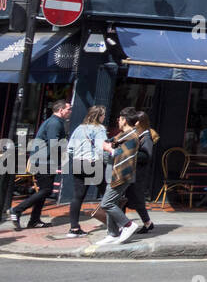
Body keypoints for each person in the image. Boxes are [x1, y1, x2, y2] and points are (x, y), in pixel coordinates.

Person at [10, 99, 72, 229]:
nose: (70, 112)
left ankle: (34, 220)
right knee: (46, 190)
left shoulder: (52, 121)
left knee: (43, 190)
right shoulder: (55, 123)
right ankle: (17, 210)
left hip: (44, 160)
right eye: (68, 109)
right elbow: (54, 143)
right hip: (45, 161)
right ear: (61, 110)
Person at [59, 106, 108, 239]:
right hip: (93, 163)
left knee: (77, 197)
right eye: (103, 115)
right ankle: (116, 225)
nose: (104, 117)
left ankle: (74, 228)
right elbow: (102, 148)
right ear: (99, 116)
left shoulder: (79, 128)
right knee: (108, 194)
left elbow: (69, 149)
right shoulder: (100, 129)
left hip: (77, 163)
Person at [96, 108, 142, 246]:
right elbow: (109, 142)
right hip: (114, 174)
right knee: (113, 203)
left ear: (125, 120)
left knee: (106, 203)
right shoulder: (124, 135)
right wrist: (106, 145)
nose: (118, 121)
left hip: (121, 175)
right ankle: (113, 233)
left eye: (120, 119)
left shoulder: (131, 136)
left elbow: (118, 154)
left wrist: (108, 148)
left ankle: (128, 225)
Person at [124, 111, 158, 233]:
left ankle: (146, 223)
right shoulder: (139, 135)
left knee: (137, 199)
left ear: (140, 122)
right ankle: (123, 225)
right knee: (126, 198)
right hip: (133, 172)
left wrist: (129, 152)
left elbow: (147, 156)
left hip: (139, 174)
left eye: (135, 121)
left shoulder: (146, 137)